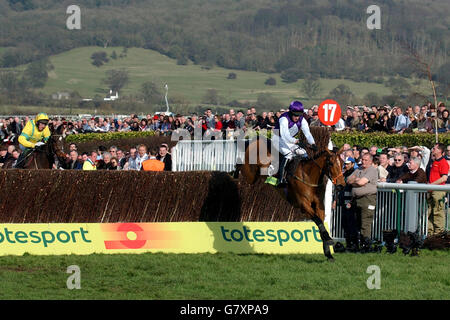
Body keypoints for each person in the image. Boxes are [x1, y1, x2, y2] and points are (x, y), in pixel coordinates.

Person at [272, 101, 318, 187]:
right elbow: (285, 135)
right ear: (290, 112)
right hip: (277, 139)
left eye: (299, 115)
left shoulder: (302, 120)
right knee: (289, 154)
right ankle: (281, 179)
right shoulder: (284, 119)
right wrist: (296, 142)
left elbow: (307, 133)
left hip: (289, 141)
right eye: (295, 114)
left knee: (303, 152)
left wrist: (313, 143)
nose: (297, 117)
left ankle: (302, 176)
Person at [346, 153, 378, 248]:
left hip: (367, 199)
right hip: (356, 199)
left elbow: (361, 182)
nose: (363, 162)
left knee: (365, 223)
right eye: (362, 160)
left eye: (366, 160)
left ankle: (366, 244)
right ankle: (356, 244)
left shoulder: (372, 170)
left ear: (371, 161)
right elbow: (348, 180)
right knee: (356, 222)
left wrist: (356, 181)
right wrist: (357, 181)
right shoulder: (358, 169)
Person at [427, 143, 449, 236]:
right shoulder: (433, 161)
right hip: (431, 190)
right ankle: (430, 233)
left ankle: (439, 234)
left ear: (440, 151)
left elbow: (444, 178)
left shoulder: (443, 163)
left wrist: (432, 185)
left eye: (434, 148)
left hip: (438, 191)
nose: (433, 150)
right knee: (429, 212)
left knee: (438, 212)